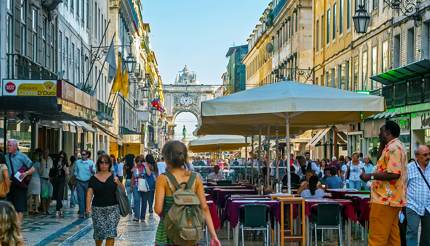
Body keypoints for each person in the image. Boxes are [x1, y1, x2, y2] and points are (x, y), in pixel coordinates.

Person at [154, 141, 220, 245]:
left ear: (166, 158)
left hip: (167, 232)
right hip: (190, 232)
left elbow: (158, 209)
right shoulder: (196, 178)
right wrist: (213, 236)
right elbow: (205, 208)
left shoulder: (163, 178)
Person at [360, 120, 407, 246]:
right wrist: (382, 142)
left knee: (377, 239)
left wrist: (370, 175)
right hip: (392, 199)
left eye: (381, 132)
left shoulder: (393, 148)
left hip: (384, 199)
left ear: (388, 132)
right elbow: (380, 163)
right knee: (392, 239)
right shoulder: (394, 146)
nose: (378, 135)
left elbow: (394, 174)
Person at [86, 154, 123, 246]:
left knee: (111, 233)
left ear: (109, 164)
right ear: (98, 164)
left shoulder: (114, 177)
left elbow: (123, 190)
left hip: (113, 209)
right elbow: (89, 193)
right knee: (99, 235)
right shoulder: (93, 179)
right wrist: (87, 207)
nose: (104, 165)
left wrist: (118, 182)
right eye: (101, 162)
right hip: (98, 209)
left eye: (106, 162)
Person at [4, 139, 35, 224]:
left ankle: (17, 230)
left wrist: (26, 173)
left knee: (19, 209)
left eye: (10, 145)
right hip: (10, 185)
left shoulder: (22, 156)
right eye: (7, 145)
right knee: (10, 208)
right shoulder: (6, 157)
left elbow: (33, 168)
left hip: (20, 185)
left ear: (15, 146)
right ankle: (13, 227)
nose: (8, 147)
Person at [405, 145, 430, 246]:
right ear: (417, 156)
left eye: (429, 154)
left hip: (428, 206)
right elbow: (403, 186)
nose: (428, 157)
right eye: (425, 155)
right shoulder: (409, 168)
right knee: (412, 232)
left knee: (427, 235)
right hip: (412, 205)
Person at [131, 155, 152, 222]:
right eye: (137, 162)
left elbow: (149, 174)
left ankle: (142, 217)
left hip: (144, 187)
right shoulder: (135, 168)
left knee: (144, 202)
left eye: (140, 161)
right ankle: (136, 216)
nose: (139, 163)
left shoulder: (145, 167)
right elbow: (133, 177)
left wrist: (145, 166)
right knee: (136, 201)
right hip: (136, 186)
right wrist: (132, 185)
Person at [74, 150, 95, 218]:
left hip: (88, 182)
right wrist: (75, 179)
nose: (82, 156)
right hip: (79, 181)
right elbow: (75, 172)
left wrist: (91, 170)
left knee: (87, 198)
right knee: (80, 198)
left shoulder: (90, 162)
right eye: (82, 154)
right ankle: (81, 212)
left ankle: (87, 211)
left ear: (87, 155)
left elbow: (94, 172)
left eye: (84, 154)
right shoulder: (77, 162)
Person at [51, 151, 69, 217]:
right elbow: (52, 170)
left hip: (62, 179)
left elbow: (67, 173)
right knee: (56, 194)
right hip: (56, 179)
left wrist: (64, 169)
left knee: (60, 194)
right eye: (60, 156)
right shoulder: (55, 162)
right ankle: (60, 206)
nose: (61, 158)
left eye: (62, 157)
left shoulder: (65, 163)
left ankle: (57, 209)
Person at [27, 149, 42, 214]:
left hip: (31, 179)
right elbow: (40, 172)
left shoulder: (30, 163)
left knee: (31, 195)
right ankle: (36, 209)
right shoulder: (38, 163)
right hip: (37, 180)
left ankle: (30, 209)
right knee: (36, 195)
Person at [39, 149, 53, 214]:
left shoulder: (50, 160)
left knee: (50, 195)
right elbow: (39, 170)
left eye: (47, 152)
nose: (46, 154)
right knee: (44, 196)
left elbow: (52, 168)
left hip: (49, 179)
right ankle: (44, 210)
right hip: (43, 179)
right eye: (45, 153)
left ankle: (47, 209)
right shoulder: (41, 160)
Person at [145, 154, 157, 219]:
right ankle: (150, 207)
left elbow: (148, 173)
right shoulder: (155, 164)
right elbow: (156, 173)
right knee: (151, 196)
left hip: (148, 181)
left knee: (146, 196)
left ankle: (149, 207)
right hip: (153, 181)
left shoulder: (147, 165)